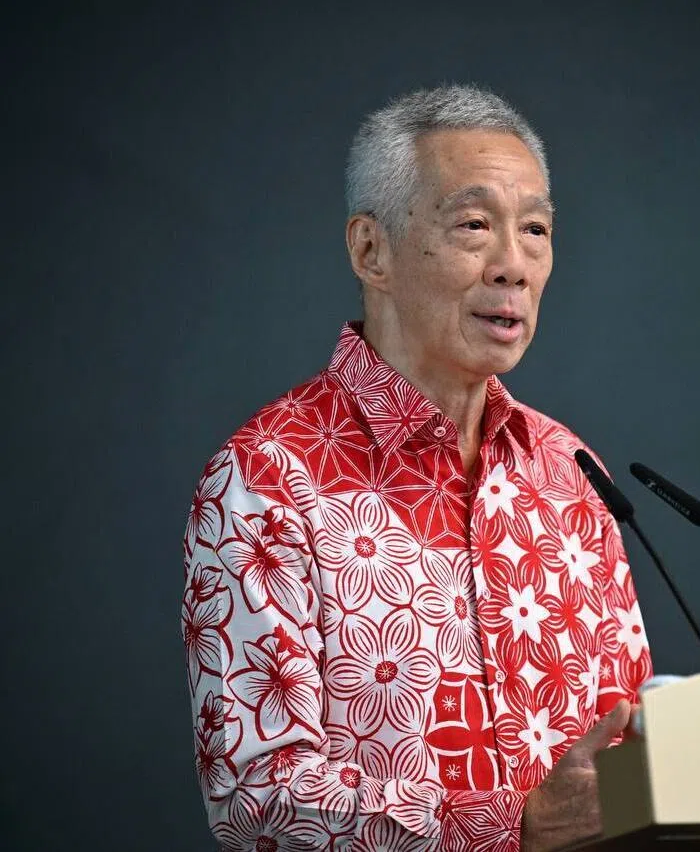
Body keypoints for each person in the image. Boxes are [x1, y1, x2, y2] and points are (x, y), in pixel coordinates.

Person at [182, 84, 652, 852]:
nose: (514, 265)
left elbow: (625, 749)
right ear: (371, 250)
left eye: (535, 230)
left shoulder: (571, 471)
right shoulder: (267, 476)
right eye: (473, 225)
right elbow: (257, 798)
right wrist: (511, 825)